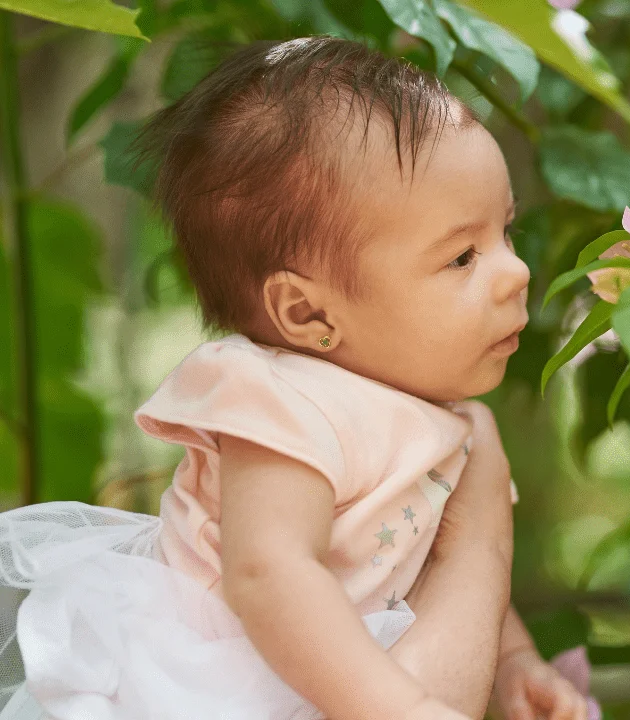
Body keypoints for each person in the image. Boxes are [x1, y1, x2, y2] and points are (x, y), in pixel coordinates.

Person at [0, 36, 589, 720]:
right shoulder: (284, 401)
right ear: (307, 310)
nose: (516, 271)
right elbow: (268, 571)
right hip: (222, 682)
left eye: (506, 233)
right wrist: (400, 704)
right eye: (462, 256)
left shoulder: (443, 418)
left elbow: (436, 556)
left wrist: (514, 664)